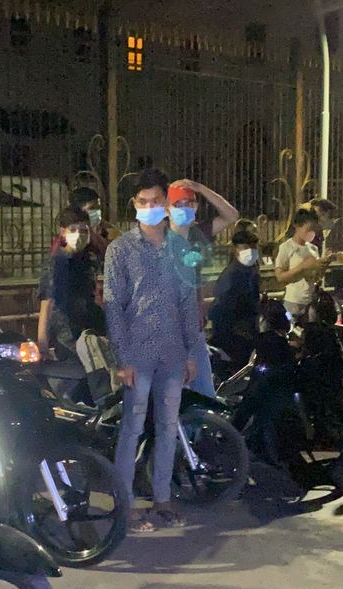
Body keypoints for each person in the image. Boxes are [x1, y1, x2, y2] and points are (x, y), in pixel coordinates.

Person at [104, 169, 205, 532]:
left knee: (167, 426)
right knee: (132, 428)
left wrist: (191, 352)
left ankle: (162, 501)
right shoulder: (120, 250)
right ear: (134, 204)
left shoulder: (182, 249)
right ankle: (125, 506)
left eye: (156, 201)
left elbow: (188, 303)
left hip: (173, 352)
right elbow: (113, 306)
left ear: (166, 203)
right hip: (137, 353)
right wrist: (122, 359)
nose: (149, 207)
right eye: (142, 202)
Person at [167, 179, 240, 397]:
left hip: (194, 328)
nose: (185, 209)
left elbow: (231, 215)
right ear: (167, 209)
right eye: (179, 204)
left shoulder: (197, 234)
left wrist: (201, 188)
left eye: (190, 203)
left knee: (205, 394)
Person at [37, 206, 104, 359]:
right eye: (73, 230)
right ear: (63, 232)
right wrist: (42, 346)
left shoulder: (87, 259)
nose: (79, 235)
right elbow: (47, 305)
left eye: (84, 230)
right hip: (68, 341)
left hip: (91, 336)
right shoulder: (57, 262)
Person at [209, 228, 263, 367]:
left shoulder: (251, 271)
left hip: (248, 333)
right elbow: (221, 309)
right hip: (234, 338)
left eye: (253, 247)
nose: (250, 251)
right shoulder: (231, 275)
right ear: (235, 249)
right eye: (245, 247)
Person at [275, 206, 335, 318]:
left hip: (311, 301)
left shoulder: (313, 249)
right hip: (293, 302)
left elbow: (316, 277)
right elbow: (280, 277)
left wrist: (323, 265)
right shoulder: (286, 247)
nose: (311, 233)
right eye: (309, 229)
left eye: (314, 230)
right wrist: (302, 267)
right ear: (297, 226)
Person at [70, 185, 116, 257]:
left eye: (98, 208)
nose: (97, 211)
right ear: (78, 210)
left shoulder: (99, 230)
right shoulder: (75, 236)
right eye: (92, 208)